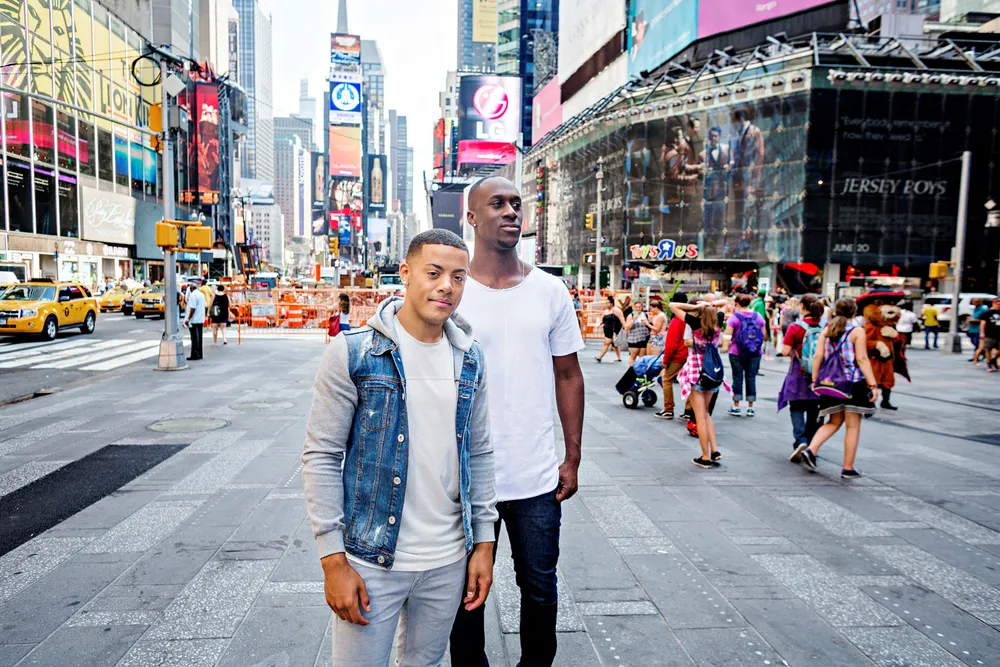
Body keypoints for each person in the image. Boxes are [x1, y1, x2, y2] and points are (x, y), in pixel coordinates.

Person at [301, 229, 498, 667]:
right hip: (371, 558)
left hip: (448, 559)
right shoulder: (354, 354)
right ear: (405, 274)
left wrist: (484, 544)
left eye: (458, 277)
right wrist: (333, 560)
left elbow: (480, 452)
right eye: (434, 272)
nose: (447, 286)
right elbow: (321, 456)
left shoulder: (470, 358)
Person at [452, 176, 585, 667]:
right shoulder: (452, 292)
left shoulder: (550, 290)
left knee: (541, 590)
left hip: (535, 477)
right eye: (497, 204)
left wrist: (572, 458)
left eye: (516, 203)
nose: (511, 211)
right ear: (471, 217)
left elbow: (568, 375)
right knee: (464, 597)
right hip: (464, 478)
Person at [790, 298, 879, 479]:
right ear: (854, 312)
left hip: (831, 383)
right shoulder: (857, 332)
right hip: (853, 383)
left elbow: (818, 356)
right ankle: (848, 468)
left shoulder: (827, 330)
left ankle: (811, 449)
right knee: (852, 426)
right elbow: (862, 359)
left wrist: (815, 380)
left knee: (833, 421)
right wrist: (873, 384)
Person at [670, 297, 729, 468]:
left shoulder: (695, 323)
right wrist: (708, 305)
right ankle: (715, 450)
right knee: (707, 414)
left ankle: (705, 456)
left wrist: (696, 307)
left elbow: (673, 305)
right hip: (713, 372)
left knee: (700, 417)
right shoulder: (717, 322)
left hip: (696, 372)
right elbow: (725, 302)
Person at [779, 293, 823, 451]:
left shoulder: (795, 327)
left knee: (796, 407)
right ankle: (811, 443)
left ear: (802, 307)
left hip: (799, 373)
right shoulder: (825, 327)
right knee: (815, 409)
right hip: (820, 374)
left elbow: (785, 351)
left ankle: (800, 440)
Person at [723, 293, 766, 417]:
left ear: (736, 303)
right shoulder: (757, 316)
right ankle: (750, 407)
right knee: (751, 378)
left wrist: (725, 347)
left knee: (737, 378)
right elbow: (763, 334)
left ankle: (736, 406)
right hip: (755, 352)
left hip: (737, 352)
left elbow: (727, 335)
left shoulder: (734, 318)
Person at [655, 293, 688, 420]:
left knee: (666, 379)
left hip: (678, 356)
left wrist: (665, 360)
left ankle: (668, 409)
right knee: (689, 381)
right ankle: (689, 411)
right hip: (689, 355)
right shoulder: (689, 318)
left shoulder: (676, 321)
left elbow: (671, 344)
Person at [595, 295, 623, 363]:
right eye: (606, 303)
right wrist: (599, 325)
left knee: (606, 343)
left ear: (612, 303)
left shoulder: (616, 310)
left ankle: (599, 357)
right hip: (607, 330)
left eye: (608, 303)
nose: (607, 304)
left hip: (613, 330)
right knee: (614, 345)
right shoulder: (605, 311)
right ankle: (619, 358)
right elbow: (602, 320)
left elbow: (621, 319)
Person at [183, 284, 206, 361]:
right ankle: (199, 353)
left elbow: (192, 308)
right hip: (200, 318)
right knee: (199, 337)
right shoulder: (201, 295)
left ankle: (195, 354)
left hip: (194, 319)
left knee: (194, 338)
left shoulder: (193, 296)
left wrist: (188, 319)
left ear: (191, 288)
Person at [624, 299, 650, 364]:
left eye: (639, 307)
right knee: (633, 356)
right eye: (636, 307)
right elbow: (626, 328)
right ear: (634, 307)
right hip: (633, 339)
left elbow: (650, 325)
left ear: (642, 307)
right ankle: (632, 369)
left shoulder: (645, 315)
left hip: (644, 338)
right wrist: (633, 320)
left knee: (642, 357)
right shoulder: (631, 315)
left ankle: (640, 369)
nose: (638, 309)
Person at [982, 299, 1000, 371]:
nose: (998, 305)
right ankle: (989, 364)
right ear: (993, 304)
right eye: (996, 304)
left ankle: (993, 360)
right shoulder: (988, 313)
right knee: (988, 349)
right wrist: (982, 332)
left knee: (998, 351)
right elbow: (983, 323)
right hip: (989, 334)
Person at [969, 298, 989, 363]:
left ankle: (976, 357)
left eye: (976, 302)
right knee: (973, 341)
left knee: (977, 343)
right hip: (972, 328)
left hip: (978, 329)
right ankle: (982, 353)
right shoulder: (975, 309)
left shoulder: (983, 309)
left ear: (980, 302)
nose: (974, 303)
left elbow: (985, 319)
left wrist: (974, 320)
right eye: (973, 302)